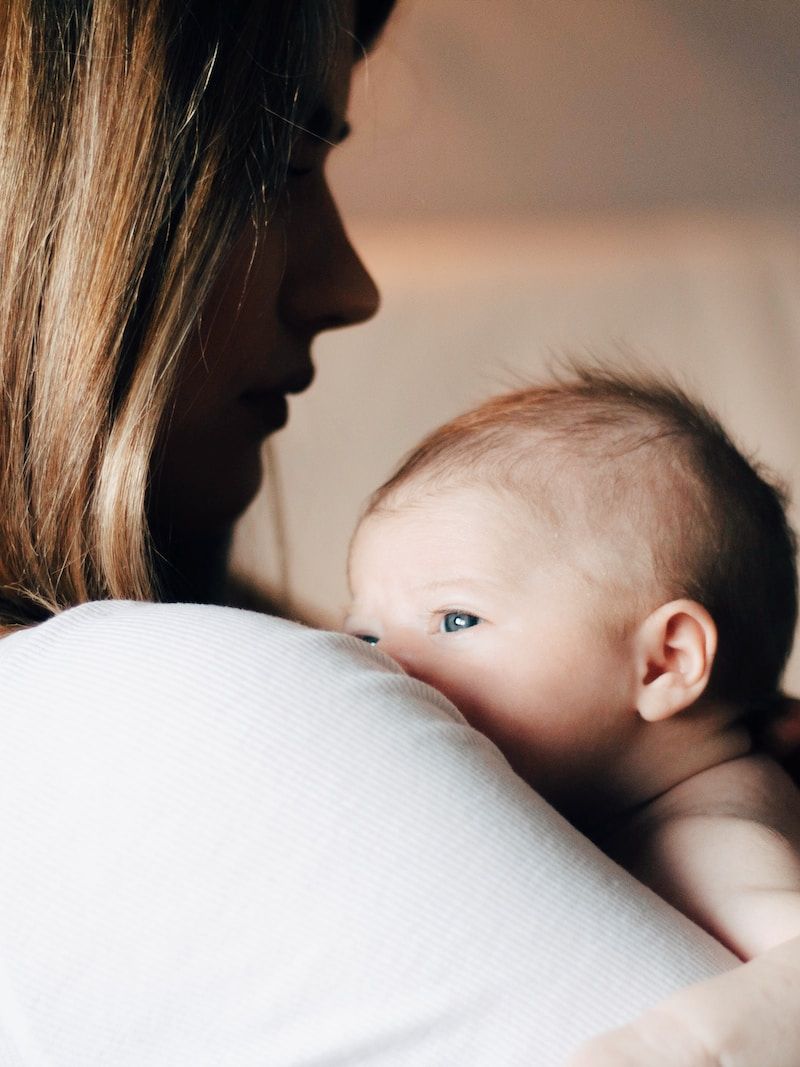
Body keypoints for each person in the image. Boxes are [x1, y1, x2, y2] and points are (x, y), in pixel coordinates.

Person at [0, 2, 784, 1064]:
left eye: (455, 616)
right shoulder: (154, 710)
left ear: (667, 659)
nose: (352, 287)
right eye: (278, 167)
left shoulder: (726, 835)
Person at [345, 365, 800, 1064]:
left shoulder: (708, 838)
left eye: (456, 617)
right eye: (366, 635)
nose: (386, 662)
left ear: (664, 663)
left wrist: (682, 1045)